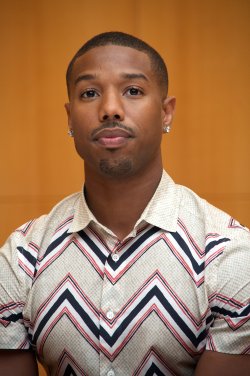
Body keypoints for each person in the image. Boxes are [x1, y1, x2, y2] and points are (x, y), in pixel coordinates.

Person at [0, 31, 249, 376]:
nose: (111, 109)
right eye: (90, 93)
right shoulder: (21, 258)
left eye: (133, 91)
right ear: (70, 117)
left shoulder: (230, 257)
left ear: (166, 113)